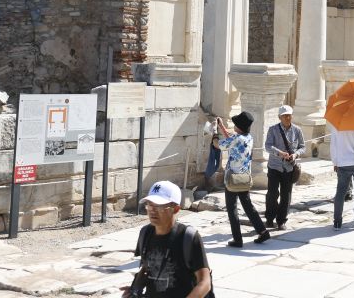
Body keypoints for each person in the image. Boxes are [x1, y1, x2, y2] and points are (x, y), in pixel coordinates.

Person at [126, 180, 213, 298]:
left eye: (159, 206)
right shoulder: (145, 233)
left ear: (176, 209)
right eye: (149, 205)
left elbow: (205, 283)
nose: (152, 210)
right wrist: (134, 289)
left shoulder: (188, 237)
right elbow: (146, 267)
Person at [216, 112, 271, 247]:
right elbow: (232, 140)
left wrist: (214, 135)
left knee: (232, 208)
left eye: (235, 124)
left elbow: (220, 145)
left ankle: (237, 239)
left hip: (232, 179)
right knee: (248, 206)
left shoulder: (236, 139)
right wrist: (222, 127)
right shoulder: (248, 138)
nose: (233, 125)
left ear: (239, 127)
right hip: (244, 178)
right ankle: (263, 231)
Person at [263, 105, 305, 230]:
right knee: (272, 194)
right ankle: (269, 218)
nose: (287, 118)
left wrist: (295, 154)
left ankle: (281, 220)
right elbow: (268, 146)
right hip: (275, 166)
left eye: (289, 115)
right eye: (284, 116)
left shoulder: (297, 130)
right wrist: (280, 153)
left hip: (289, 168)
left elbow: (303, 147)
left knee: (286, 195)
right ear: (279, 117)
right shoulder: (273, 130)